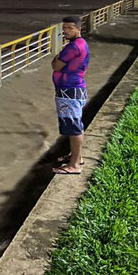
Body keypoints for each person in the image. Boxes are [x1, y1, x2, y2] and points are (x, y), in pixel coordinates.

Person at [51, 16, 90, 175]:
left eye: (69, 28)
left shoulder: (73, 47)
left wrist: (57, 58)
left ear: (78, 29)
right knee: (75, 125)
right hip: (74, 90)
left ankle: (74, 165)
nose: (65, 31)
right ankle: (76, 157)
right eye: (64, 28)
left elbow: (56, 65)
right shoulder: (80, 44)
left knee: (74, 129)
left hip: (69, 92)